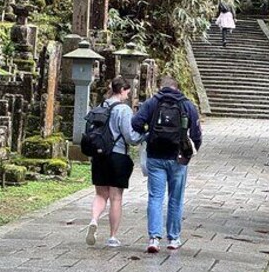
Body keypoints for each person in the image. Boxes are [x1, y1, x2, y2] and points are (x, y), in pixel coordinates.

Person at [132, 76, 202, 252]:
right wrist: (190, 151)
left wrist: (148, 133)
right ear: (177, 88)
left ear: (161, 87)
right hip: (178, 158)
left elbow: (136, 122)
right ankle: (173, 238)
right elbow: (196, 133)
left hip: (155, 156)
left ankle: (154, 238)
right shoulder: (187, 105)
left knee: (155, 197)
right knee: (175, 199)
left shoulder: (152, 102)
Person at [86, 76, 144, 248]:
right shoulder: (123, 110)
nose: (128, 95)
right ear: (122, 90)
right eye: (127, 91)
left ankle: (94, 219)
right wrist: (143, 136)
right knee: (116, 198)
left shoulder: (100, 106)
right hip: (118, 156)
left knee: (100, 194)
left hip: (99, 155)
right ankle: (112, 237)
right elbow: (130, 137)